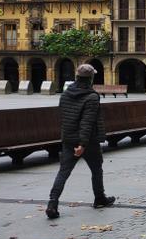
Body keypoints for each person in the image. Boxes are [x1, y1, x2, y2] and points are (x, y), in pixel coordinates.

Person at [46, 64, 115, 219]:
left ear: (77, 77)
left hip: (68, 139)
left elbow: (63, 118)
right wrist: (82, 145)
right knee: (96, 170)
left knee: (63, 172)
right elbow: (87, 122)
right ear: (90, 79)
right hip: (88, 141)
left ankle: (52, 203)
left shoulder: (65, 94)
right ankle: (99, 198)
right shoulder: (92, 96)